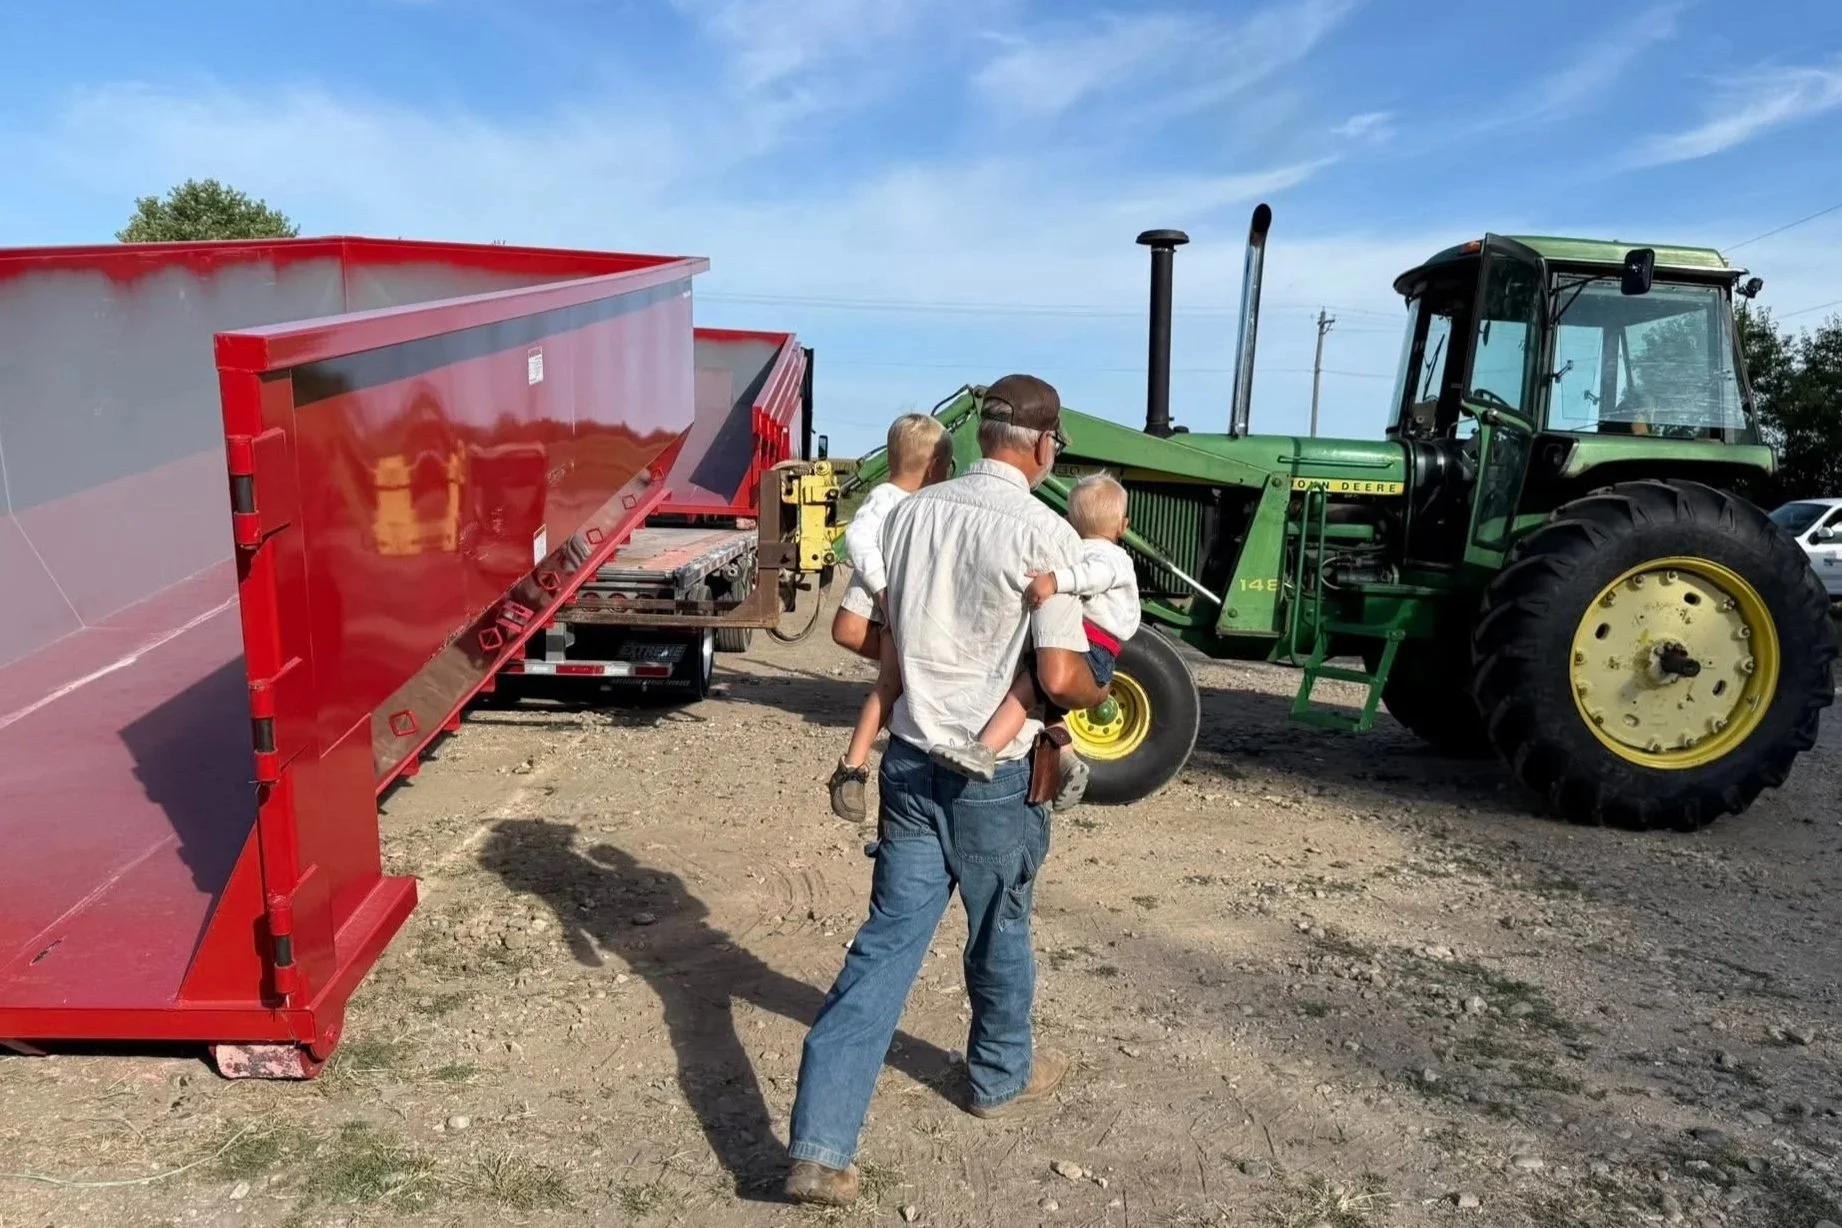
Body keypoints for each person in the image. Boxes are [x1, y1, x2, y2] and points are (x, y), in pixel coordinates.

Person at [784, 374, 1110, 1207]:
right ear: (1043, 445)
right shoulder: (1046, 533)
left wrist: (928, 674)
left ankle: (820, 1147)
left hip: (908, 763)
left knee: (886, 944)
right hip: (992, 781)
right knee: (999, 927)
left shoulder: (908, 516)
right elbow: (1063, 674)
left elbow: (864, 634)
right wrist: (1097, 692)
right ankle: (998, 1077)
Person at [929, 473, 1138, 809]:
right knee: (1046, 705)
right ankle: (1068, 759)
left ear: (1070, 521)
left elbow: (1094, 576)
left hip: (1091, 650)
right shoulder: (1086, 552)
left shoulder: (1108, 558)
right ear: (1123, 525)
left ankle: (985, 750)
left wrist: (1054, 581)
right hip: (1080, 646)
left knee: (1023, 691)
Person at [826, 413, 953, 822]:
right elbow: (857, 538)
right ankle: (851, 767)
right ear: (934, 467)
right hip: (885, 596)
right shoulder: (886, 498)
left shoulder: (921, 503)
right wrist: (882, 588)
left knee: (892, 681)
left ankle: (854, 765)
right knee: (890, 683)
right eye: (946, 466)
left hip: (900, 604)